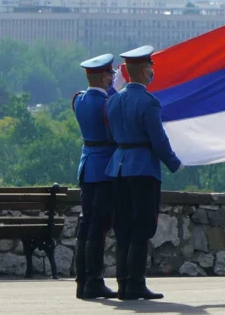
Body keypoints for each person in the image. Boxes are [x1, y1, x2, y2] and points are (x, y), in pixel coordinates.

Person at [103, 45, 184, 300]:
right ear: (145, 69)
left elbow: (110, 136)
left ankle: (123, 283)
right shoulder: (149, 102)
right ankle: (136, 283)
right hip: (143, 170)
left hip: (118, 167)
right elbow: (158, 141)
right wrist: (174, 162)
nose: (152, 71)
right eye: (151, 67)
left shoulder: (113, 100)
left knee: (123, 228)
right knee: (143, 226)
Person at [71, 53, 119, 299]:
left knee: (86, 225)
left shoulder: (78, 100)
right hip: (103, 169)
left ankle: (82, 280)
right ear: (103, 77)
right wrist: (114, 91)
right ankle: (94, 280)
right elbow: (114, 130)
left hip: (87, 166)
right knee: (98, 228)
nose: (113, 78)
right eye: (110, 75)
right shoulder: (108, 103)